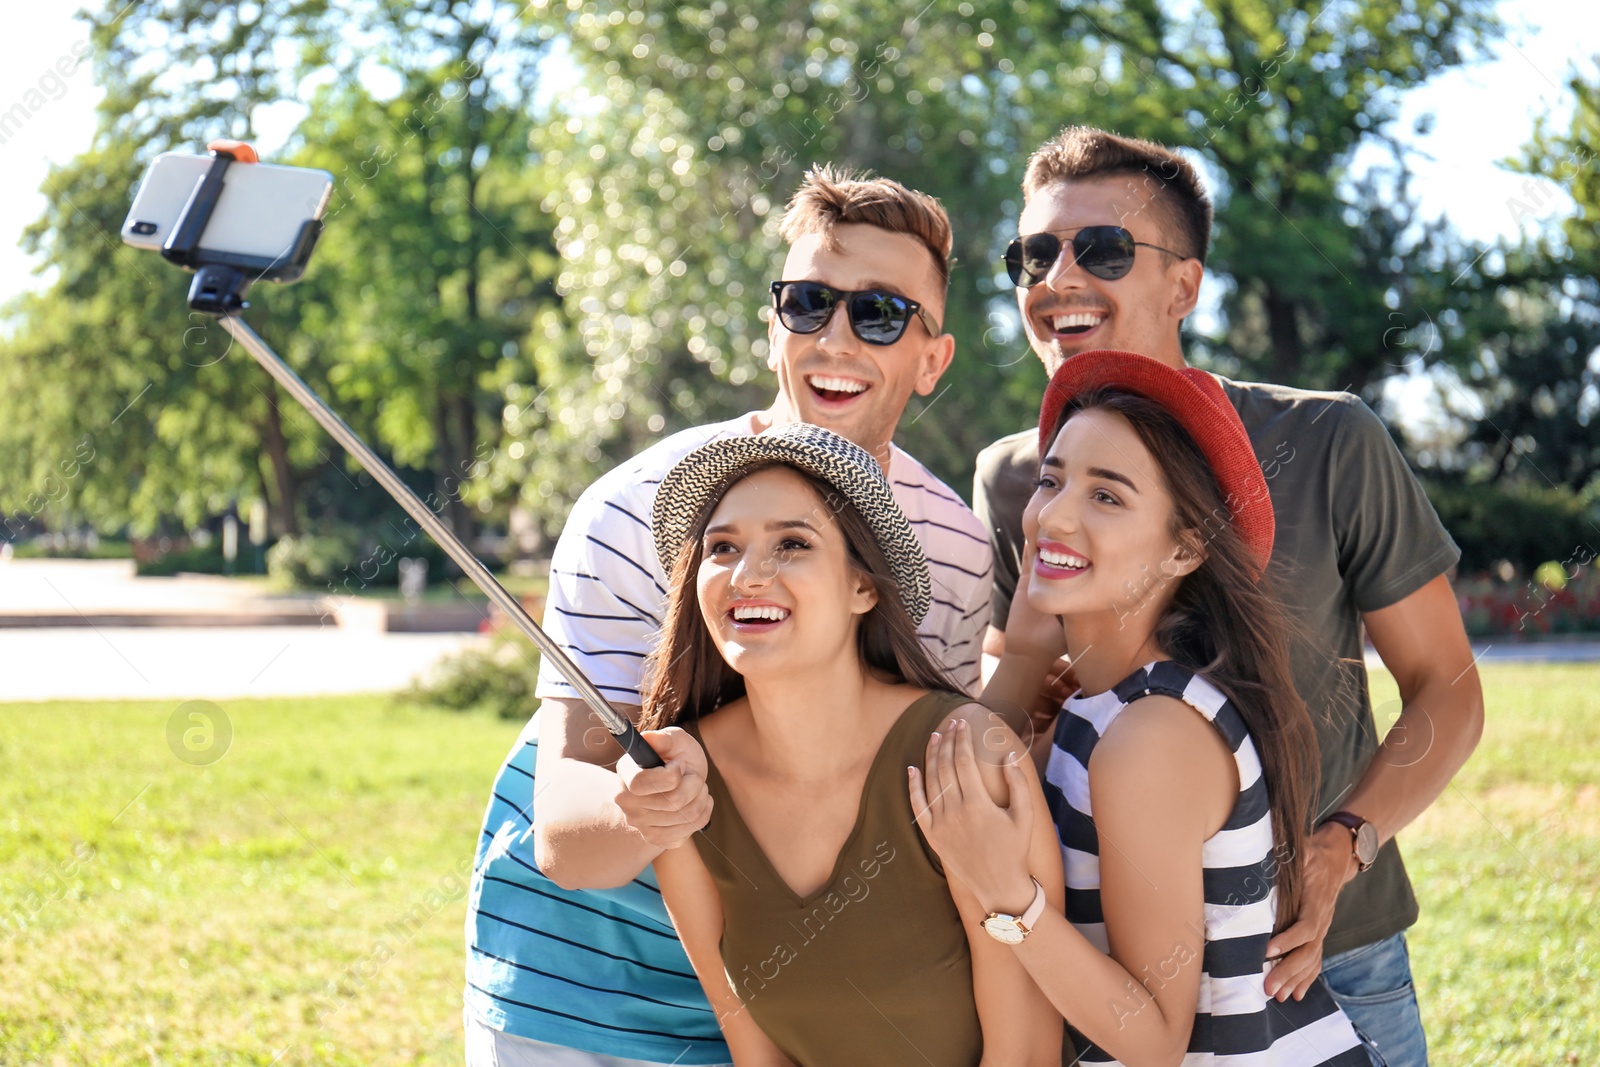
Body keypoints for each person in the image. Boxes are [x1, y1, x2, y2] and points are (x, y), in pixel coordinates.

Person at [972, 127, 1483, 1065]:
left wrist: (1341, 847)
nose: (1058, 276)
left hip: (1325, 956)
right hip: (1111, 966)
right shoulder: (1017, 479)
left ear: (1185, 285)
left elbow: (1448, 687)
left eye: (1104, 248)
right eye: (1034, 253)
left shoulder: (1331, 440)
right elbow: (1021, 702)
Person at [464, 166, 994, 1066]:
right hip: (581, 997)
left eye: (880, 314)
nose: (835, 337)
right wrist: (646, 809)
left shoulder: (954, 548)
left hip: (794, 1010)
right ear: (772, 325)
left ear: (932, 359)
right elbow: (564, 831)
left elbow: (914, 788)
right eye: (807, 303)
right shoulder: (634, 508)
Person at [920, 349, 1371, 1064]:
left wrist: (1009, 894)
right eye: (1050, 480)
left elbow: (1156, 1037)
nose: (1054, 515)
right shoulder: (1097, 703)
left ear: (1186, 548)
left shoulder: (1151, 734)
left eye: (1107, 495)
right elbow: (974, 758)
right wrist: (1030, 653)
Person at [627, 422, 1061, 1066]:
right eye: (721, 548)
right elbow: (756, 1054)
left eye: (793, 543)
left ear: (864, 587)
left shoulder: (966, 753)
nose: (747, 575)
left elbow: (1023, 1056)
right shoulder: (683, 779)